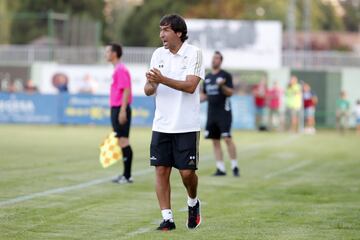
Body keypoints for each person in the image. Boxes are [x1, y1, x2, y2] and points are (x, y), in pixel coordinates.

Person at [144, 14, 204, 231]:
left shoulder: (194, 53)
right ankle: (167, 218)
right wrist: (151, 83)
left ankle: (193, 202)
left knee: (187, 174)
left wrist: (162, 79)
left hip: (186, 125)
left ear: (179, 33)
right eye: (160, 30)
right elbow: (149, 90)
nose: (162, 35)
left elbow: (190, 86)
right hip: (161, 124)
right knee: (161, 170)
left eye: (166, 30)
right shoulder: (157, 54)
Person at [200, 51, 239, 177]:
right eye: (213, 58)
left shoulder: (225, 75)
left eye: (217, 58)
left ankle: (234, 166)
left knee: (227, 138)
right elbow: (205, 95)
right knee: (215, 141)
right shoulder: (207, 77)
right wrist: (194, 101)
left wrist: (222, 86)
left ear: (220, 61)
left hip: (224, 112)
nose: (214, 60)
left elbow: (230, 93)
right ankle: (220, 168)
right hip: (211, 113)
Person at [105, 43, 134, 184]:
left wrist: (122, 110)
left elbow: (126, 90)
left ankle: (127, 176)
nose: (106, 54)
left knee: (124, 141)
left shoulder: (120, 69)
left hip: (120, 108)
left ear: (114, 53)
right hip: (116, 108)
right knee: (121, 141)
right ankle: (126, 174)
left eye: (108, 51)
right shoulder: (117, 69)